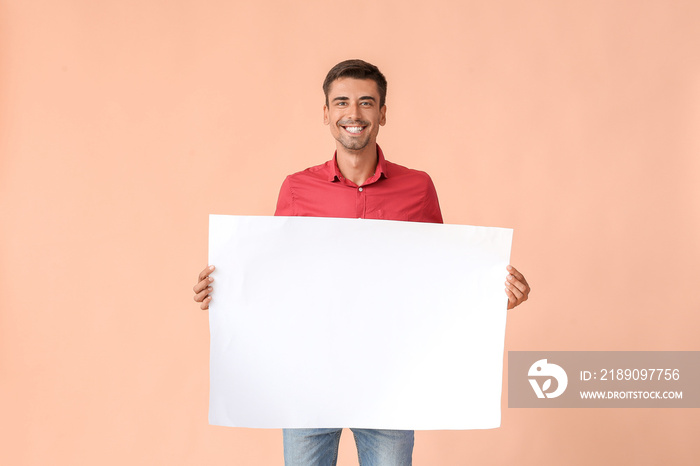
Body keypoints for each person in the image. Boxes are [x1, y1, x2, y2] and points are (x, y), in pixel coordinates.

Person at [193, 59, 531, 466]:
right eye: (342, 103)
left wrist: (490, 297)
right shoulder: (297, 189)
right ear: (326, 114)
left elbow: (440, 281)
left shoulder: (418, 188)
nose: (353, 114)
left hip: (389, 381)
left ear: (382, 113)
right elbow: (276, 280)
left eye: (366, 103)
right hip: (308, 380)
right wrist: (225, 291)